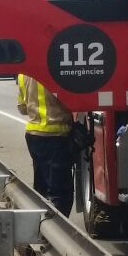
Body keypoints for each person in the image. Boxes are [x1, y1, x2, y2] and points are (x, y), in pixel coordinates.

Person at [17, 74, 75, 215]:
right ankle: (57, 231)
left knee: (41, 186)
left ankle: (41, 226)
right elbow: (74, 101)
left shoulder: (23, 74)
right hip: (56, 135)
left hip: (33, 135)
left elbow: (22, 108)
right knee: (60, 192)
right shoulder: (55, 70)